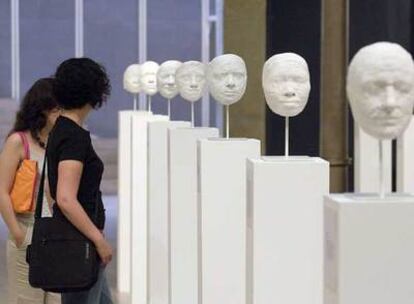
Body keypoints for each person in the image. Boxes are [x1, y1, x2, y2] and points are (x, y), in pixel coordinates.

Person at [47, 57, 113, 304]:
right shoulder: (73, 137)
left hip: (77, 240)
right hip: (79, 243)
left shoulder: (61, 131)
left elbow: (54, 191)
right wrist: (98, 239)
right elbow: (65, 197)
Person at [0, 77, 61, 304]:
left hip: (57, 234)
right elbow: (1, 191)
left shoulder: (60, 142)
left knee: (55, 299)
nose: (61, 114)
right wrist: (18, 234)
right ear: (42, 109)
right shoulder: (19, 141)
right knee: (28, 300)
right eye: (57, 109)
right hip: (28, 229)